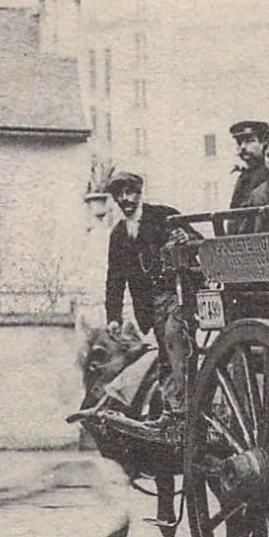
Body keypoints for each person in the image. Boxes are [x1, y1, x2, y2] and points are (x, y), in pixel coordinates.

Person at [102, 170, 198, 420]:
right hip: (151, 305)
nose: (125, 199)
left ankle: (186, 409)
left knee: (174, 339)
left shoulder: (164, 216)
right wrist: (114, 316)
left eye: (130, 192)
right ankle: (172, 411)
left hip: (179, 297)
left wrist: (186, 239)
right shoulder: (119, 234)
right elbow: (115, 277)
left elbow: (199, 243)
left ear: (139, 193)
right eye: (119, 195)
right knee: (166, 354)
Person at [222, 120, 269, 235]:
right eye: (239, 142)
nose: (242, 147)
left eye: (249, 141)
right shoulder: (244, 177)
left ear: (263, 143)